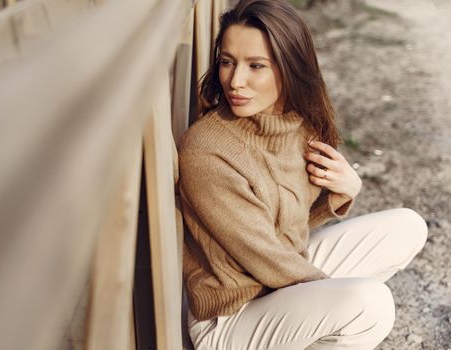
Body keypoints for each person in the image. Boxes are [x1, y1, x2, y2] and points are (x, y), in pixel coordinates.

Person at [177, 0, 428, 349]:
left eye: (256, 66)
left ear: (289, 67)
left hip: (275, 280)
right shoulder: (207, 150)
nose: (236, 81)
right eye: (227, 62)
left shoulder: (293, 124)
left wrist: (343, 191)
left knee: (408, 225)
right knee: (371, 305)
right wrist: (332, 295)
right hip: (231, 317)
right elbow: (264, 255)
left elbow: (282, 222)